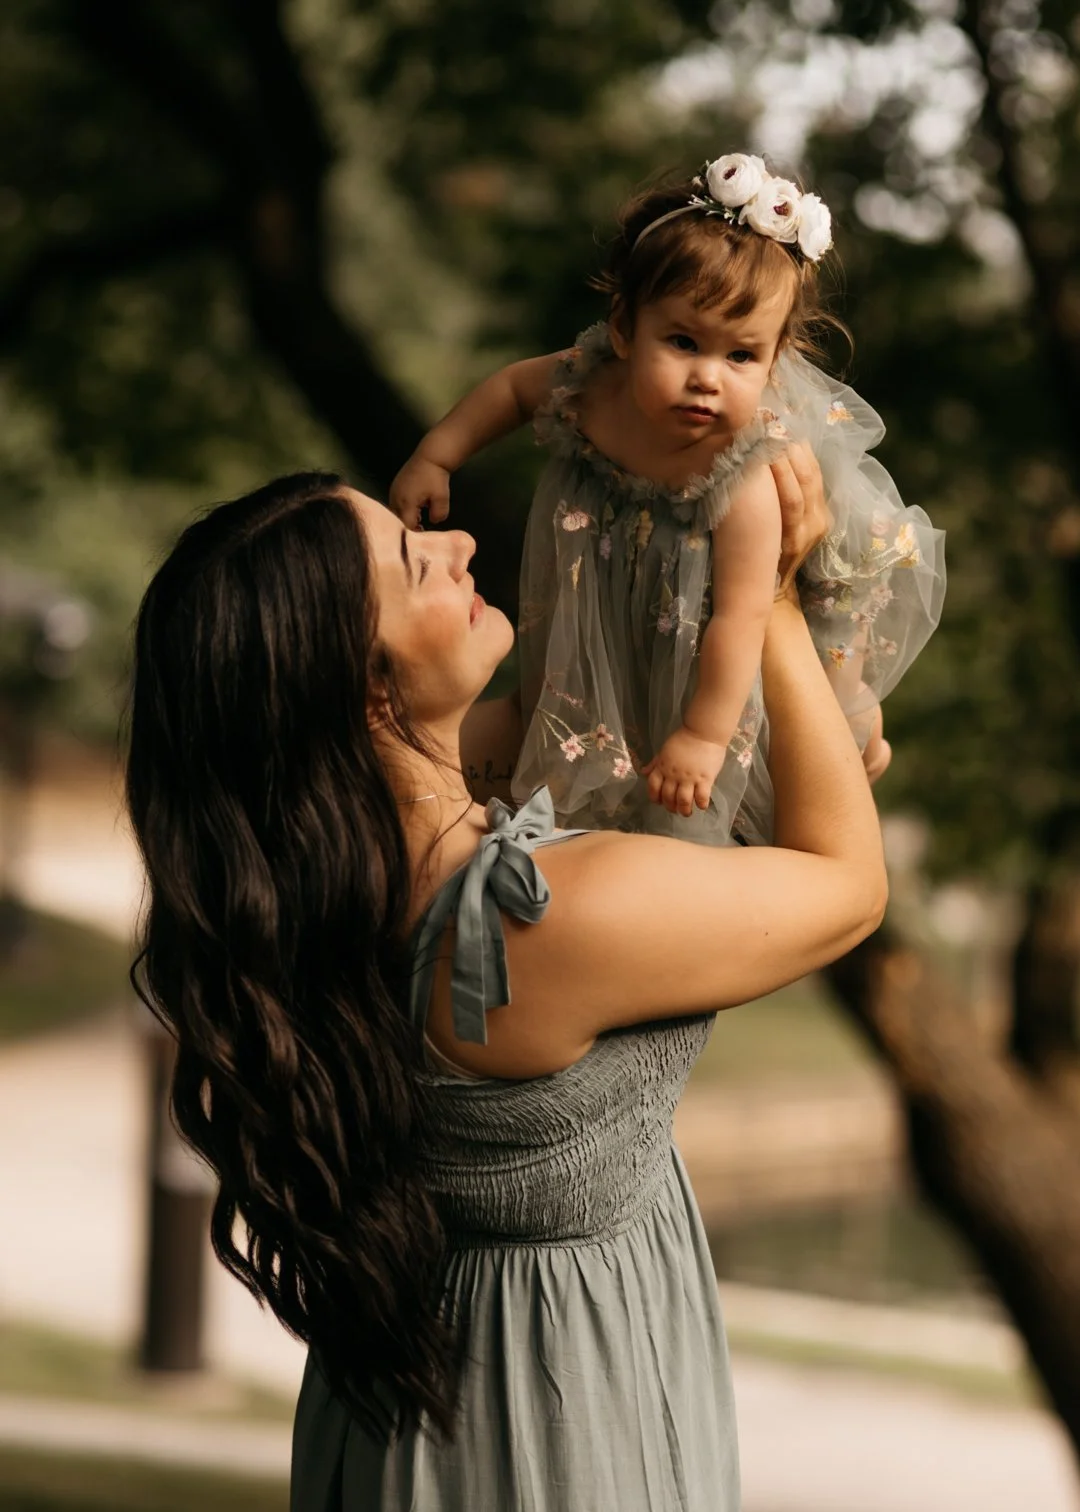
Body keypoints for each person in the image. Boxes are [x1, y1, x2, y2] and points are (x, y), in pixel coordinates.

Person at [125, 463, 885, 1512]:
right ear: (369, 686)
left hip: (417, 1404)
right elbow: (848, 889)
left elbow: (590, 711)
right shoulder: (537, 920)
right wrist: (781, 601)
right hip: (553, 1420)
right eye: (412, 561)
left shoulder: (329, 888)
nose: (459, 545)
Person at [392, 153, 945, 846]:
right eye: (683, 342)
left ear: (774, 362)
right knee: (604, 701)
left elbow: (743, 617)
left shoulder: (743, 476)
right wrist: (435, 456)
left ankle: (861, 727)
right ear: (624, 329)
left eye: (741, 356)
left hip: (736, 615)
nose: (707, 378)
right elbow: (508, 391)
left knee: (819, 706)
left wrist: (703, 737)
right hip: (628, 594)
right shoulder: (589, 386)